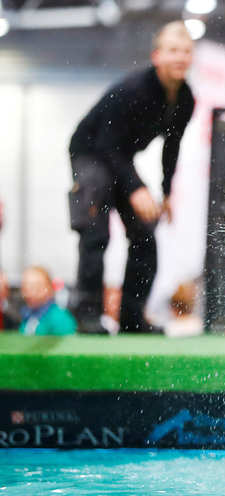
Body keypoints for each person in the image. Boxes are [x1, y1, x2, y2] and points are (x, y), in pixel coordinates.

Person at [68, 21, 195, 334]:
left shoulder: (186, 99)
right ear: (156, 56)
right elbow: (107, 145)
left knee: (145, 232)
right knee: (96, 233)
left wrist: (165, 193)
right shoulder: (133, 90)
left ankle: (132, 319)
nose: (180, 57)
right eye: (173, 51)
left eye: (186, 52)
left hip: (119, 156)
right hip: (91, 151)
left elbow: (172, 147)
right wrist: (137, 188)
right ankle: (87, 316)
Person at [19, 266, 77, 336]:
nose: (28, 293)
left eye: (35, 287)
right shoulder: (27, 315)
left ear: (49, 289)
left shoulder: (60, 319)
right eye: (25, 288)